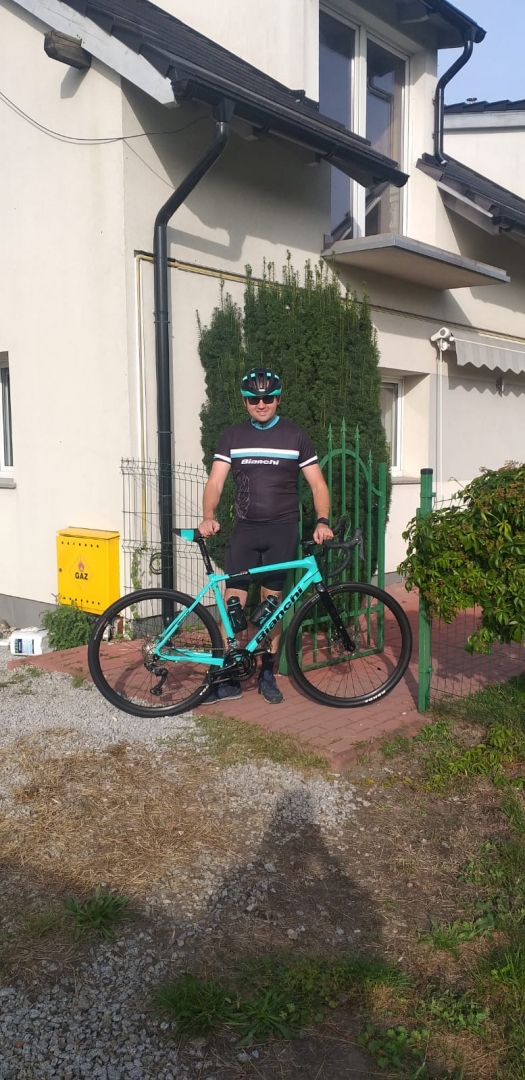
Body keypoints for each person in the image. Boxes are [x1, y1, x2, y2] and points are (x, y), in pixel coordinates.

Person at [198, 367, 333, 704]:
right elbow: (215, 482)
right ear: (245, 401)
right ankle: (230, 674)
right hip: (245, 530)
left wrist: (322, 521)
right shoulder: (233, 436)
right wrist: (208, 516)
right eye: (254, 399)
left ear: (278, 398)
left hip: (281, 532)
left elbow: (318, 484)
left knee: (272, 606)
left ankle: (267, 673)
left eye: (268, 397)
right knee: (233, 604)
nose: (262, 404)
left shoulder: (295, 436)